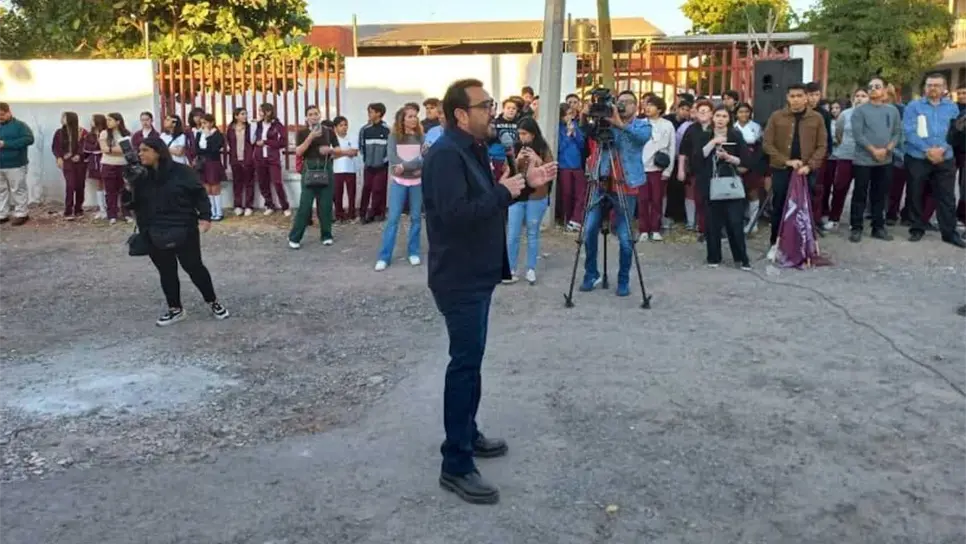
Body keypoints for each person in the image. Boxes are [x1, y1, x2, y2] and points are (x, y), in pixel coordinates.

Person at [422, 78, 556, 505]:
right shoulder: (445, 155)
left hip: (477, 272)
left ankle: (468, 432)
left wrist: (520, 183)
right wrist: (505, 190)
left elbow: (487, 205)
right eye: (484, 106)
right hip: (458, 277)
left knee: (472, 361)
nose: (492, 112)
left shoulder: (474, 149)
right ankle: (455, 464)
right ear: (460, 114)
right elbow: (456, 215)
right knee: (463, 365)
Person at [123, 137, 229, 327]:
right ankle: (175, 309)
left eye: (145, 150)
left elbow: (199, 194)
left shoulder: (182, 172)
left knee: (194, 267)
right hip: (153, 229)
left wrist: (205, 217)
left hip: (183, 227)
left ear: (157, 152)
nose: (140, 154)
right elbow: (130, 204)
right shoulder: (140, 175)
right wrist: (129, 185)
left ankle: (213, 301)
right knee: (166, 271)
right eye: (139, 150)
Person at [579, 90, 652, 297]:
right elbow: (586, 132)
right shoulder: (605, 123)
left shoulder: (642, 125)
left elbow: (640, 138)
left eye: (627, 103)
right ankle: (591, 274)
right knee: (589, 229)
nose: (622, 106)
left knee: (625, 235)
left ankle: (623, 279)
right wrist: (585, 115)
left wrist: (619, 123)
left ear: (636, 106)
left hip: (626, 185)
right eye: (619, 102)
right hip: (600, 182)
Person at [762, 83, 828, 261]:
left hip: (807, 170)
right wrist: (786, 161)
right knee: (780, 206)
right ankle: (775, 243)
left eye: (800, 96)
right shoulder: (777, 117)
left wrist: (810, 165)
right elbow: (767, 143)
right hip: (782, 169)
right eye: (792, 96)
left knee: (804, 207)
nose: (796, 99)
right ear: (787, 98)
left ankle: (804, 244)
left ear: (806, 97)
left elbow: (822, 145)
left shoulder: (816, 118)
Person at [683, 105, 751, 269]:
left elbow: (746, 161)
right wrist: (713, 142)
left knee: (735, 222)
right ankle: (714, 257)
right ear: (713, 118)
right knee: (712, 222)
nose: (720, 120)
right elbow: (697, 159)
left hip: (731, 184)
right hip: (709, 184)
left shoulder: (735, 135)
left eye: (724, 116)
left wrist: (729, 157)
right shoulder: (705, 135)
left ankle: (741, 258)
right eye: (718, 116)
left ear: (729, 119)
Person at [903, 73, 966, 247]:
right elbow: (909, 131)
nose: (933, 88)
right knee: (915, 193)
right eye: (930, 85)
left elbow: (956, 131)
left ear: (944, 87)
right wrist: (927, 150)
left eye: (937, 85)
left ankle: (949, 232)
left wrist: (943, 149)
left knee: (947, 197)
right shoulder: (914, 106)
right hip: (918, 157)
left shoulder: (952, 107)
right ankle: (916, 228)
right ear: (925, 87)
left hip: (945, 157)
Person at [848, 76, 901, 243]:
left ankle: (878, 227)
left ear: (885, 90)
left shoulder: (892, 111)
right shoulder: (860, 111)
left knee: (880, 194)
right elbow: (858, 135)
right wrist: (873, 150)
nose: (873, 89)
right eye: (870, 86)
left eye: (877, 86)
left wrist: (887, 149)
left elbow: (897, 132)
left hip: (885, 159)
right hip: (863, 160)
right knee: (860, 194)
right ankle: (856, 227)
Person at [289, 105, 350, 249]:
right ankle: (295, 237)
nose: (314, 116)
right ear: (306, 118)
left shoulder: (329, 132)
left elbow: (337, 150)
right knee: (305, 205)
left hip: (326, 168)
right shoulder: (302, 133)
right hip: (309, 168)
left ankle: (326, 235)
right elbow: (298, 152)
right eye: (310, 114)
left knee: (326, 205)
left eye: (316, 114)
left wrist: (329, 150)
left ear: (320, 115)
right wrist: (310, 137)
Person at [374, 105, 425, 270]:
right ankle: (384, 256)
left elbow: (423, 159)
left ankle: (413, 252)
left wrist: (405, 166)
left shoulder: (420, 136)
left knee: (416, 218)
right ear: (402, 120)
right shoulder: (394, 136)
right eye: (410, 116)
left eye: (415, 116)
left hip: (417, 183)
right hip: (399, 182)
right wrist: (409, 166)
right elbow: (393, 159)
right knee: (393, 219)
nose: (414, 119)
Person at [505, 116, 554, 284]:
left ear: (533, 134)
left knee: (533, 232)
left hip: (536, 196)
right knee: (512, 233)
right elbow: (507, 171)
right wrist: (516, 160)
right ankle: (510, 268)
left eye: (525, 134)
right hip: (517, 195)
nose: (522, 137)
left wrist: (537, 160)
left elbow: (550, 171)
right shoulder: (515, 147)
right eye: (519, 134)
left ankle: (530, 268)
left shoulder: (543, 148)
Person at [640, 95, 675, 241]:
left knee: (657, 199)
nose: (647, 108)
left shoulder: (667, 125)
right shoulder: (640, 123)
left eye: (651, 105)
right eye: (646, 105)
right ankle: (643, 229)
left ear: (659, 109)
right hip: (642, 168)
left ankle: (655, 228)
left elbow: (672, 147)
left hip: (658, 168)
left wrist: (668, 170)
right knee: (642, 200)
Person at [0, 102, 35, 226]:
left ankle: (21, 213)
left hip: (16, 164)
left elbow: (29, 139)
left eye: (2, 115)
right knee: (1, 190)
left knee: (18, 189)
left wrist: (6, 144)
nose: (0, 117)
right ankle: (2, 214)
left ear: (9, 112)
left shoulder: (20, 126)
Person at [252, 103, 290, 216]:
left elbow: (283, 142)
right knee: (263, 183)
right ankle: (269, 205)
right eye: (259, 111)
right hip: (259, 158)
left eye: (261, 111)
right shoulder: (257, 125)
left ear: (268, 112)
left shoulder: (278, 126)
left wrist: (266, 142)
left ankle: (285, 206)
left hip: (273, 159)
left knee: (277, 182)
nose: (259, 113)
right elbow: (251, 139)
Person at [734, 102, 765, 233]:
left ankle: (753, 222)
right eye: (741, 112)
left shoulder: (756, 127)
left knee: (753, 192)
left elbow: (759, 148)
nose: (744, 114)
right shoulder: (733, 128)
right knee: (737, 194)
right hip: (736, 162)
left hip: (752, 164)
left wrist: (749, 165)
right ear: (736, 114)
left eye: (746, 111)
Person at [52, 111, 88, 220]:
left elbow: (86, 146)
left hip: (80, 163)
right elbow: (55, 147)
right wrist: (59, 157)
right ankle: (68, 210)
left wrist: (79, 155)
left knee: (80, 185)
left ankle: (78, 209)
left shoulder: (82, 132)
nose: (62, 119)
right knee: (70, 185)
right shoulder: (59, 132)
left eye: (64, 117)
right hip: (67, 163)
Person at [358, 102, 390, 223]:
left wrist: (384, 161)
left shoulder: (387, 130)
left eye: (371, 112)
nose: (369, 114)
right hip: (368, 165)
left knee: (378, 189)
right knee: (366, 188)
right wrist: (366, 159)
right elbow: (361, 145)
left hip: (382, 166)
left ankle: (375, 213)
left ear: (378, 113)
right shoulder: (365, 129)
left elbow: (390, 147)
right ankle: (363, 213)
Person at [99, 112, 132, 225]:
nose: (108, 122)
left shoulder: (126, 134)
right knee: (110, 191)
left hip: (123, 165)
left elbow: (125, 150)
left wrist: (111, 149)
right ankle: (112, 214)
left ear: (118, 121)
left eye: (110, 120)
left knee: (125, 190)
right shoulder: (104, 133)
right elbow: (104, 149)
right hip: (108, 165)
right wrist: (115, 149)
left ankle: (126, 213)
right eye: (107, 120)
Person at [194, 114, 226, 221]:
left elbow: (214, 148)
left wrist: (208, 138)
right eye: (202, 123)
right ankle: (211, 211)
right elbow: (197, 149)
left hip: (213, 162)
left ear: (211, 123)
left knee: (215, 186)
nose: (203, 125)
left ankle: (219, 212)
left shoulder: (217, 134)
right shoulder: (199, 134)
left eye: (205, 123)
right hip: (203, 162)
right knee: (206, 187)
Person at [226, 108, 255, 216]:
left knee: (249, 183)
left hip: (248, 158)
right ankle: (238, 205)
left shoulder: (249, 128)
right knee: (237, 183)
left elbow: (253, 141)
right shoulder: (230, 129)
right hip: (235, 159)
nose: (245, 116)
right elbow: (229, 141)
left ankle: (249, 206)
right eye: (242, 114)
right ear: (236, 116)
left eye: (246, 114)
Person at [331, 115, 360, 222]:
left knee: (351, 193)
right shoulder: (332, 139)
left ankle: (351, 213)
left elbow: (354, 152)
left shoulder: (352, 137)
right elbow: (331, 155)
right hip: (336, 170)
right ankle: (339, 214)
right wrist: (346, 152)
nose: (344, 127)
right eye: (341, 125)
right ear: (335, 127)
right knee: (338, 194)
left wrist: (339, 152)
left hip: (350, 169)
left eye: (345, 125)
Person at [84, 114, 107, 219]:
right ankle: (102, 209)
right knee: (99, 184)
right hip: (95, 161)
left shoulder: (106, 133)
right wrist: (96, 146)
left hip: (105, 161)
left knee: (107, 183)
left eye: (93, 120)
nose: (91, 122)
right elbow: (87, 148)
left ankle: (109, 208)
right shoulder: (90, 135)